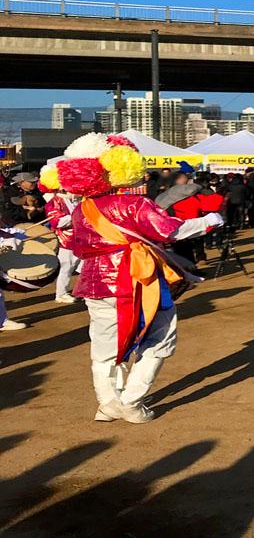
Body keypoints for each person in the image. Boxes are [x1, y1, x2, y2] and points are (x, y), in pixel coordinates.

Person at [48, 133, 222, 423]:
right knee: (160, 337)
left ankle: (107, 403)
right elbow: (170, 231)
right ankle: (131, 401)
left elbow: (78, 246)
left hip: (93, 283)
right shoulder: (133, 204)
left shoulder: (81, 209)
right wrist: (210, 221)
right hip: (137, 280)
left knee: (104, 346)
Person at [40, 164, 81, 304]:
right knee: (67, 267)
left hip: (79, 239)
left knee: (82, 266)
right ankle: (61, 294)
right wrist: (77, 216)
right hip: (66, 241)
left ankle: (82, 290)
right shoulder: (54, 202)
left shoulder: (75, 200)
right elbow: (56, 222)